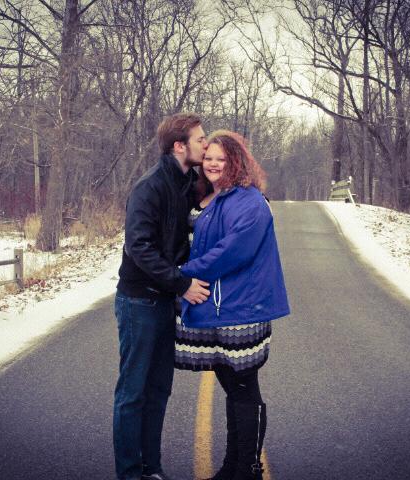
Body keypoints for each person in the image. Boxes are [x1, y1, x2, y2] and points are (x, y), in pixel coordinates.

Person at [175, 130, 290, 480]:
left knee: (243, 386)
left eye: (221, 159)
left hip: (242, 309)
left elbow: (232, 252)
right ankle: (232, 467)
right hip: (220, 306)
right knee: (231, 383)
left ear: (236, 162)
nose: (212, 164)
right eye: (208, 157)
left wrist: (181, 275)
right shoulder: (211, 195)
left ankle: (248, 468)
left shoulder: (249, 201)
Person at [113, 113, 212, 480]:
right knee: (133, 393)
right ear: (179, 146)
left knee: (158, 390)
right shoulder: (150, 186)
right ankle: (129, 473)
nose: (206, 144)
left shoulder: (189, 184)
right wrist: (181, 284)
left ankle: (151, 469)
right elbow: (138, 246)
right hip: (139, 302)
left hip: (165, 302)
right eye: (200, 139)